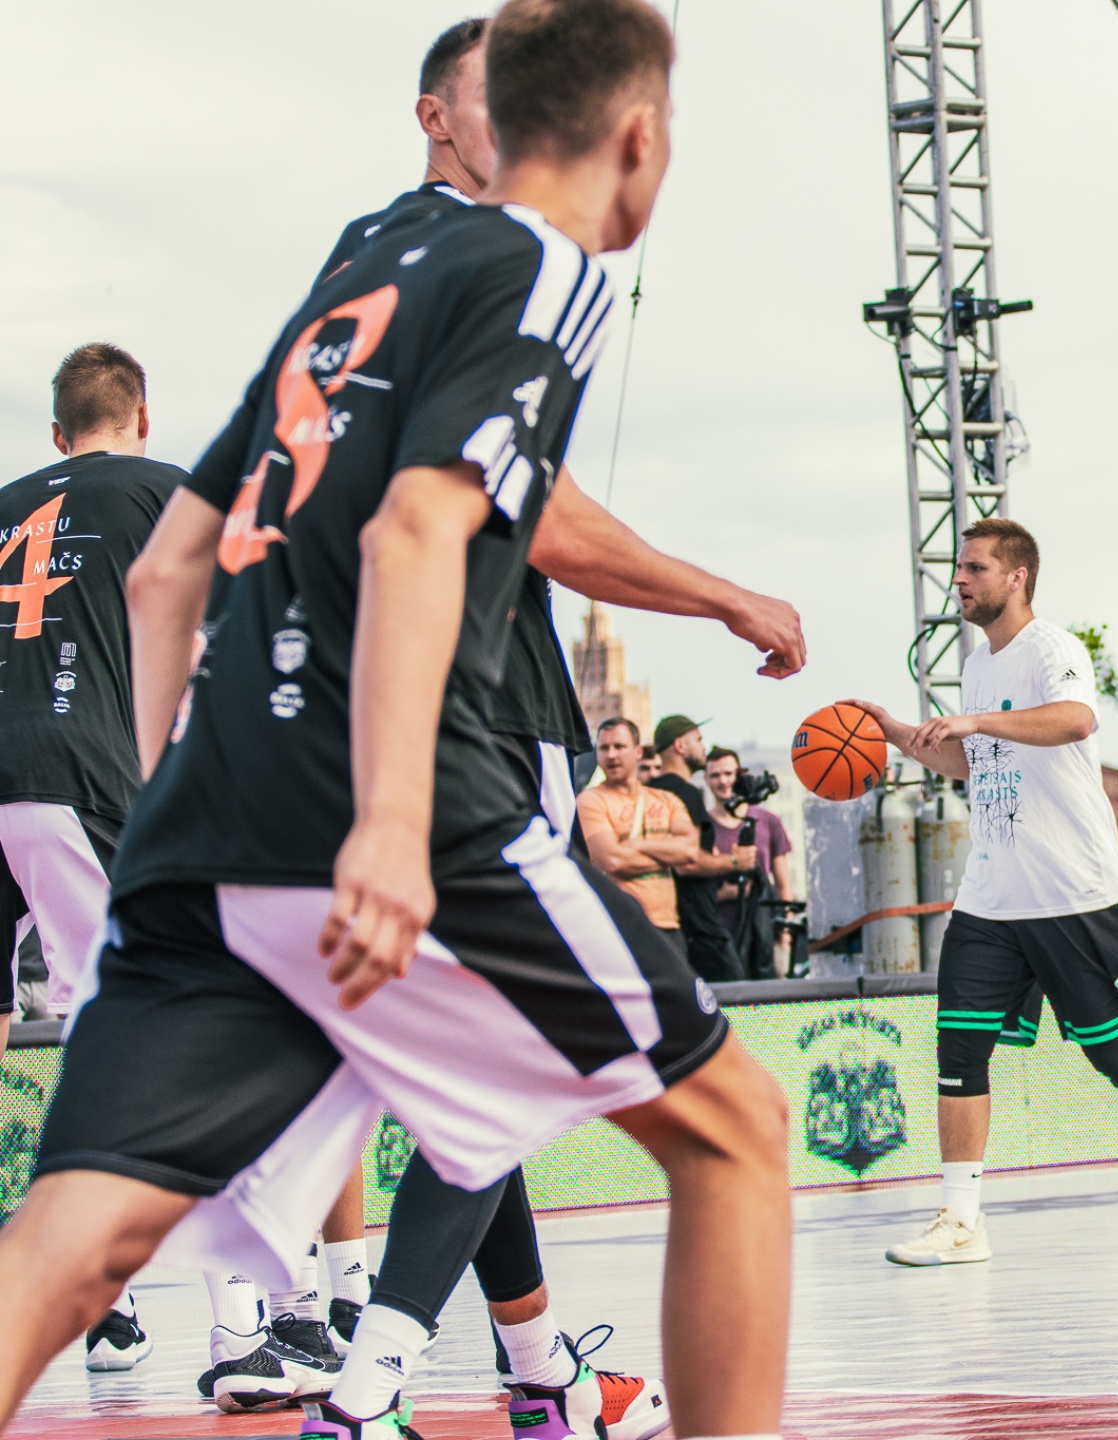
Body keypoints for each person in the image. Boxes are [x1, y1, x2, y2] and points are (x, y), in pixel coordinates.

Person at [0, 11, 793, 1440]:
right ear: (637, 138)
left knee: (74, 1230)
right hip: (408, 782)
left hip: (201, 810)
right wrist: (387, 820)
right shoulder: (545, 267)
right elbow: (422, 525)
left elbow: (170, 569)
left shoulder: (362, 264)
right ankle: (453, 1377)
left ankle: (509, 1365)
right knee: (735, 1131)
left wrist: (179, 796)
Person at [848, 518, 1118, 1265]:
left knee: (1113, 1052)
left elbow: (1075, 720)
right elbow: (975, 763)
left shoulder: (1052, 649)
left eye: (975, 568)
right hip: (991, 896)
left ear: (1016, 576)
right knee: (959, 1048)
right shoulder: (976, 665)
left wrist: (977, 718)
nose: (960, 579)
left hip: (1073, 890)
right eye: (959, 568)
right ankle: (961, 1219)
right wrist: (897, 733)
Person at [0, 343, 181, 1375]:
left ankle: (92, 1284)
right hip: (76, 774)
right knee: (146, 1014)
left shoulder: (5, 505)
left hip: (10, 765)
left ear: (57, 432)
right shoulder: (162, 492)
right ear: (140, 418)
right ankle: (241, 1318)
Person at [647, 715, 752, 984]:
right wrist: (734, 861)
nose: (704, 747)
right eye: (698, 739)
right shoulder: (686, 793)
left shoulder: (648, 793)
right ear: (680, 746)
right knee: (738, 1000)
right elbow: (686, 862)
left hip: (667, 927)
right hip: (700, 928)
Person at [578, 718, 698, 950]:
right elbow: (612, 860)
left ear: (638, 751)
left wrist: (636, 846)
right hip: (620, 927)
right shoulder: (590, 801)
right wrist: (667, 854)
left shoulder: (666, 800)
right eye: (604, 748)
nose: (611, 755)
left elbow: (690, 850)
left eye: (619, 746)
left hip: (669, 927)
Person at [705, 748, 796, 980]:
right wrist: (727, 893)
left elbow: (783, 883)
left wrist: (785, 930)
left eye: (728, 773)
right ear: (706, 779)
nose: (723, 781)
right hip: (722, 939)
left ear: (739, 774)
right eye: (715, 775)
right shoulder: (702, 826)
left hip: (764, 934)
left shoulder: (768, 821)